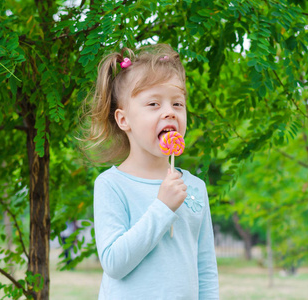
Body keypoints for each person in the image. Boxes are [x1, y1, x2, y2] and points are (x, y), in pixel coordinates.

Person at [84, 44, 219, 299]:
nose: (169, 111)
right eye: (154, 103)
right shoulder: (111, 184)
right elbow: (114, 263)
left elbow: (206, 269)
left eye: (177, 103)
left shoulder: (195, 187)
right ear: (124, 120)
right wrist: (163, 208)